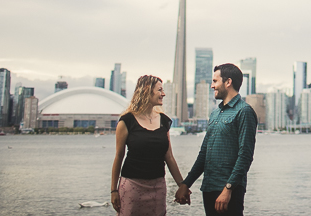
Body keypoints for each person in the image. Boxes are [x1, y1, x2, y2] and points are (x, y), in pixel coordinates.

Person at [175, 63, 258, 215]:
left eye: (215, 81)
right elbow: (204, 154)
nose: (212, 86)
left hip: (228, 192)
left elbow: (245, 156)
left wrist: (228, 189)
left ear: (228, 82)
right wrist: (186, 184)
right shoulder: (215, 113)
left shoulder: (244, 111)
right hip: (209, 188)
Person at [110, 75, 187, 215]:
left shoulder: (164, 121)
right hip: (132, 186)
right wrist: (114, 190)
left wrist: (182, 185)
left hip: (158, 186)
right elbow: (119, 156)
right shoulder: (126, 121)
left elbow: (169, 157)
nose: (163, 94)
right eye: (159, 90)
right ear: (146, 90)